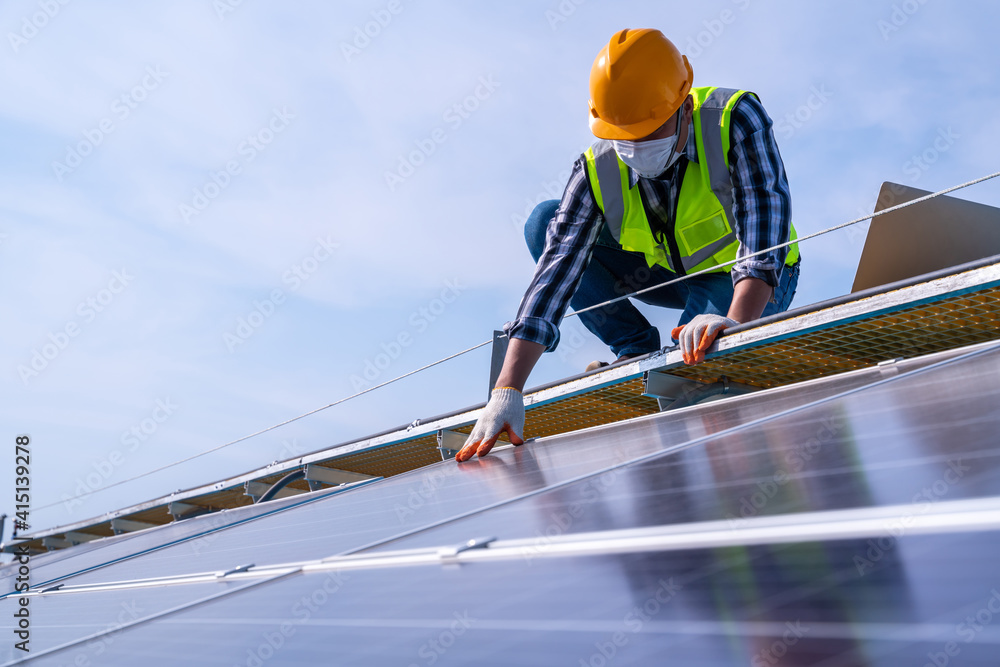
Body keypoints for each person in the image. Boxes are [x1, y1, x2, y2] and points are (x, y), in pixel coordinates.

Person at [456, 28, 800, 463]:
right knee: (544, 222)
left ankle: (711, 337)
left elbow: (763, 219)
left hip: (750, 279)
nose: (636, 146)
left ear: (682, 103)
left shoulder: (734, 117)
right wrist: (507, 389)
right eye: (625, 134)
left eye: (649, 130)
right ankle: (633, 346)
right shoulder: (597, 168)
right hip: (668, 275)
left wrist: (735, 324)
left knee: (691, 371)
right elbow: (557, 268)